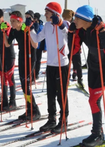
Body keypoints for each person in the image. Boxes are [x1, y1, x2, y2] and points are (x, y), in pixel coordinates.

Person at [69, 5, 105, 147]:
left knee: (94, 100)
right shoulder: (82, 30)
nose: (74, 20)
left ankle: (97, 134)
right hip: (93, 66)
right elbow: (73, 51)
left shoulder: (100, 27)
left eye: (76, 18)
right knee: (93, 100)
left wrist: (103, 32)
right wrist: (71, 33)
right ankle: (98, 132)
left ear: (85, 19)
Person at [29, 2, 69, 133]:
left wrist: (60, 23)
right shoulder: (46, 25)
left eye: (47, 12)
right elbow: (37, 39)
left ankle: (63, 120)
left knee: (61, 95)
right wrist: (30, 28)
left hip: (61, 65)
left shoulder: (64, 24)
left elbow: (67, 34)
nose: (44, 14)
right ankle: (52, 119)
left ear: (54, 13)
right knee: (50, 94)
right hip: (50, 64)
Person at [3, 11, 41, 120]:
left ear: (20, 21)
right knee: (24, 86)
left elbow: (35, 45)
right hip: (21, 57)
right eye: (11, 21)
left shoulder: (26, 27)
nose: (12, 24)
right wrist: (5, 32)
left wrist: (30, 30)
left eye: (14, 21)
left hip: (30, 57)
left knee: (26, 86)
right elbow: (7, 44)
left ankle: (35, 111)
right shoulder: (14, 31)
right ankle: (29, 110)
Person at [0, 8, 17, 112]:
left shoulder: (6, 25)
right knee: (2, 79)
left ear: (2, 17)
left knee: (10, 78)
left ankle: (13, 102)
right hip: (0, 54)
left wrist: (5, 30)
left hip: (9, 54)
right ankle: (4, 101)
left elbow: (10, 36)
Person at [63, 9, 84, 88]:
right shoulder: (66, 24)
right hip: (68, 47)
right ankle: (67, 79)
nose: (65, 19)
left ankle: (79, 78)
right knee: (67, 64)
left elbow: (80, 37)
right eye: (64, 17)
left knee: (77, 64)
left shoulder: (75, 24)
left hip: (75, 47)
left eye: (66, 17)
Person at [33, 12, 47, 80]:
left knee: (38, 60)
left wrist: (45, 47)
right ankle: (32, 73)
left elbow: (45, 38)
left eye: (35, 18)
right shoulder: (32, 25)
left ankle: (36, 74)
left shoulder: (42, 26)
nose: (34, 20)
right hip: (33, 46)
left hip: (39, 46)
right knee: (33, 60)